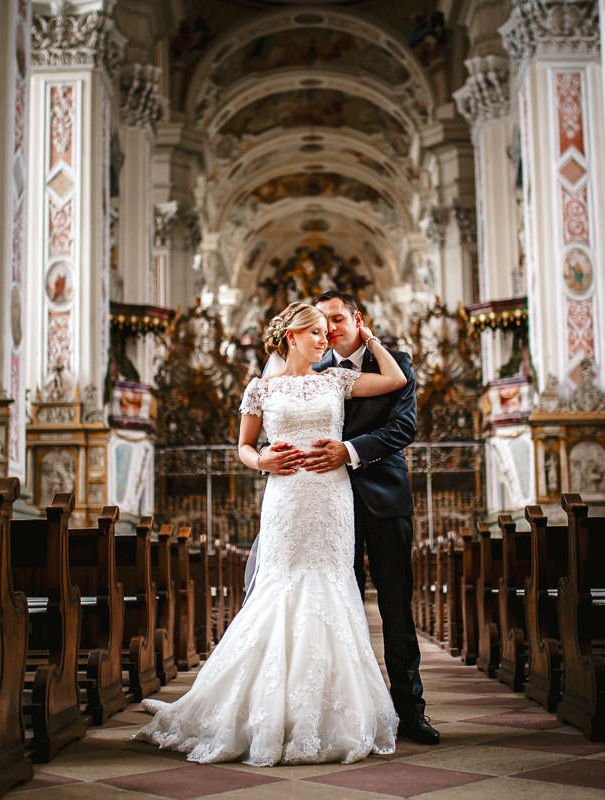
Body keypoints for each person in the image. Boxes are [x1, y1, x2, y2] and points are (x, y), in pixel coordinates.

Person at [134, 302, 407, 765]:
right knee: (279, 589)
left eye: (328, 331)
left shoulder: (335, 380)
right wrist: (261, 460)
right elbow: (242, 446)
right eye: (316, 332)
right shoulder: (260, 389)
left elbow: (396, 380)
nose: (325, 339)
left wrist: (370, 337)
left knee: (331, 587)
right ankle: (260, 710)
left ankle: (329, 713)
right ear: (293, 337)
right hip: (285, 498)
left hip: (330, 498)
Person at [299, 290, 439, 746]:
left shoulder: (395, 362)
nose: (331, 328)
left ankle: (411, 711)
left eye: (337, 318)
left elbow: (403, 428)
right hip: (330, 501)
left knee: (397, 606)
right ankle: (355, 714)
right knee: (343, 607)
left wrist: (350, 451)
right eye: (323, 321)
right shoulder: (316, 371)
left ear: (358, 319)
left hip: (386, 496)